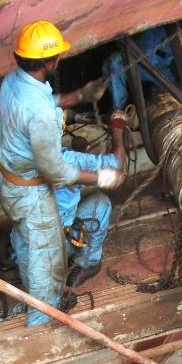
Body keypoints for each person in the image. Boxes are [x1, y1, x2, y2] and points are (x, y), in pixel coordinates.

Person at [0, 20, 119, 326]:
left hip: (8, 180)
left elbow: (41, 103)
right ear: (50, 61)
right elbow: (56, 172)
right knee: (47, 260)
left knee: (29, 241)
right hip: (31, 192)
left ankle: (31, 288)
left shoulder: (13, 81)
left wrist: (80, 95)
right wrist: (102, 178)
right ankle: (41, 321)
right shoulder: (41, 115)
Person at [55, 110, 129, 287]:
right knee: (100, 203)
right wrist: (117, 126)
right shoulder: (67, 160)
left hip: (24, 249)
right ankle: (87, 263)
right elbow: (117, 163)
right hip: (55, 249)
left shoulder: (9, 156)